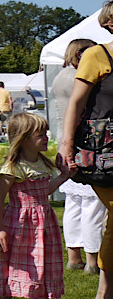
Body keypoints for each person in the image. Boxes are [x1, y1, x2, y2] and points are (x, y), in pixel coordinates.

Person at [59, 0, 113, 299]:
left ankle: (104, 296)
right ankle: (104, 296)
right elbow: (76, 103)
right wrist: (66, 145)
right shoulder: (97, 55)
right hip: (105, 152)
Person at [0, 113, 72, 299]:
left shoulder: (43, 163)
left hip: (45, 223)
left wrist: (64, 177)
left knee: (48, 265)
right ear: (24, 138)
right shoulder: (14, 167)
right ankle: (3, 298)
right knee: (18, 264)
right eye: (40, 135)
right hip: (20, 224)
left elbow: (44, 192)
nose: (46, 137)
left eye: (46, 133)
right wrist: (0, 229)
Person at [51, 38, 102, 274]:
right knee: (92, 205)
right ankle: (92, 260)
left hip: (64, 139)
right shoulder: (78, 77)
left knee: (74, 204)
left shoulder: (60, 76)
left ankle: (73, 255)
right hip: (85, 143)